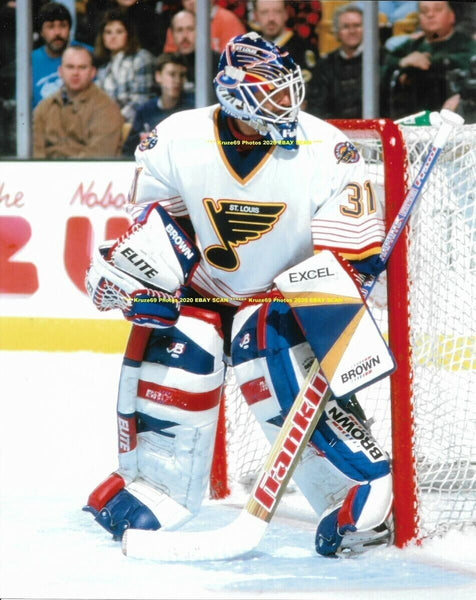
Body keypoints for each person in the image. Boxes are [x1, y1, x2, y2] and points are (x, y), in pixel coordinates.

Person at [83, 32, 393, 558]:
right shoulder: (177, 137)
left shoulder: (326, 147)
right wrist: (144, 285)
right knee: (183, 335)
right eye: (272, 93)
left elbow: (349, 253)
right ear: (236, 96)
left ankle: (354, 488)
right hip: (207, 292)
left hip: (281, 300)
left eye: (288, 90)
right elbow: (161, 229)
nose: (287, 103)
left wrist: (353, 269)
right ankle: (159, 485)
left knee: (264, 342)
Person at [381, 0, 476, 118]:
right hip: (408, 116)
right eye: (424, 11)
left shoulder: (466, 44)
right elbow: (384, 64)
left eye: (437, 9)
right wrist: (402, 62)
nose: (430, 15)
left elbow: (468, 62)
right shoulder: (411, 46)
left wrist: (427, 63)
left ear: (452, 16)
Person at [33, 45, 124, 158]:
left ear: (93, 72)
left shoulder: (107, 108)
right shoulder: (44, 107)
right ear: (60, 71)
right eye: (70, 67)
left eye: (82, 67)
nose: (75, 73)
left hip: (87, 169)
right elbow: (34, 151)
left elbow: (98, 157)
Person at [252, 0, 320, 114]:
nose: (271, 18)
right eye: (264, 12)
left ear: (285, 14)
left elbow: (314, 95)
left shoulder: (304, 49)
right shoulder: (248, 50)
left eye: (277, 12)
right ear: (255, 16)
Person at [122, 53, 194, 156]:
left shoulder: (191, 110)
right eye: (172, 74)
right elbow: (128, 151)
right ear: (158, 76)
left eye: (182, 75)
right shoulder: (145, 111)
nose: (177, 81)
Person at [94, 8, 155, 123]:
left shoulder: (141, 58)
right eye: (108, 32)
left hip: (137, 123)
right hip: (109, 124)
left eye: (119, 32)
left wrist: (115, 121)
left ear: (128, 34)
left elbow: (141, 99)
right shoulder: (103, 69)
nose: (113, 37)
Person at [32, 2, 92, 108]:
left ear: (69, 29)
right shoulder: (30, 61)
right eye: (50, 27)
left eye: (63, 26)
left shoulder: (87, 54)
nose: (57, 32)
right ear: (41, 32)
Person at [313, 3, 364, 119]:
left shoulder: (381, 60)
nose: (352, 31)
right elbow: (317, 107)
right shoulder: (324, 65)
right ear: (337, 32)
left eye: (357, 25)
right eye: (346, 27)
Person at [166, 9, 220, 93]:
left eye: (190, 29)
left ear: (199, 32)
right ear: (172, 34)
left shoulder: (217, 63)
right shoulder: (168, 65)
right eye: (179, 30)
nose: (184, 36)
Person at [163, 0, 246, 54]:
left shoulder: (228, 21)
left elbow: (233, 62)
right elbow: (169, 60)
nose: (191, 2)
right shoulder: (179, 22)